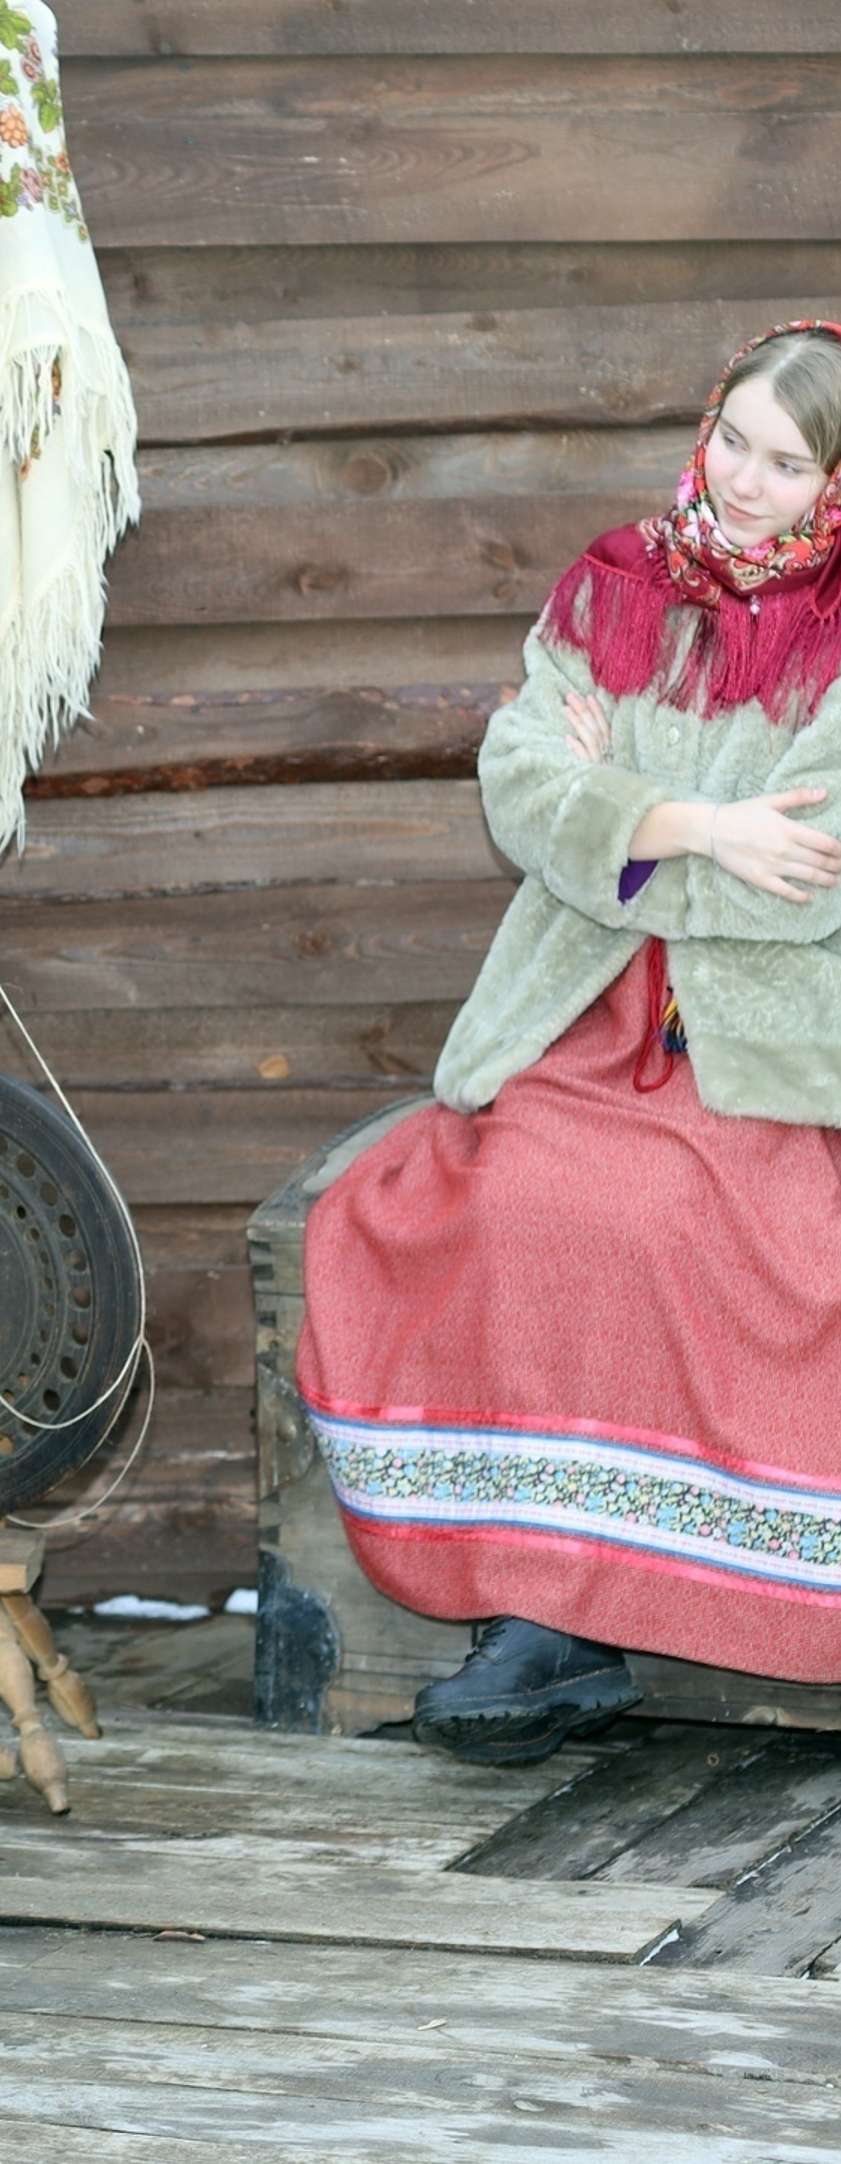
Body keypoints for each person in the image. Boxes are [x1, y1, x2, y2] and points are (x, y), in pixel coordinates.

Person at [298, 322, 841, 1763]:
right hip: (587, 1018)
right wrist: (701, 822)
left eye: (790, 464)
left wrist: (621, 816)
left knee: (672, 1221)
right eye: (733, 441)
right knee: (505, 1198)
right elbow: (521, 783)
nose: (745, 483)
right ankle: (541, 1620)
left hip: (763, 1044)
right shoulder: (615, 586)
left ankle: (621, 1603)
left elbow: (805, 881)